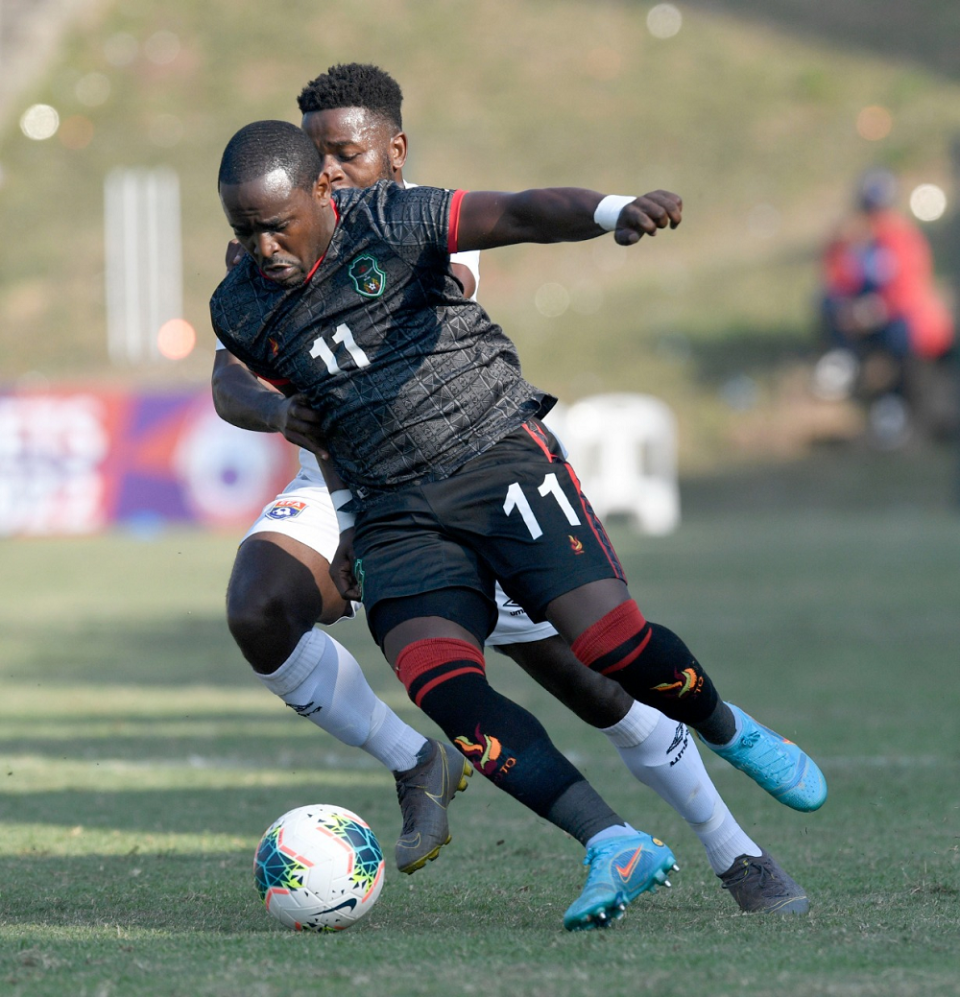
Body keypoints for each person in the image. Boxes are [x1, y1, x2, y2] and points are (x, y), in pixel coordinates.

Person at [214, 64, 812, 916]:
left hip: (479, 458)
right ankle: (447, 772)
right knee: (297, 620)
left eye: (346, 155)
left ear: (393, 152)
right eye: (320, 156)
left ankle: (736, 840)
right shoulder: (255, 273)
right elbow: (250, 378)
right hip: (367, 490)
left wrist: (610, 211)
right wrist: (319, 475)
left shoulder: (412, 222)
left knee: (602, 671)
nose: (335, 172)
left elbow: (511, 227)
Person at [816, 168, 955, 443]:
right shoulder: (852, 239)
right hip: (876, 323)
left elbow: (906, 293)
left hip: (912, 332)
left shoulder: (901, 237)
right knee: (830, 306)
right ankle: (845, 372)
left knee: (902, 336)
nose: (874, 217)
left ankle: (909, 416)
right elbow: (838, 279)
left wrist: (870, 312)